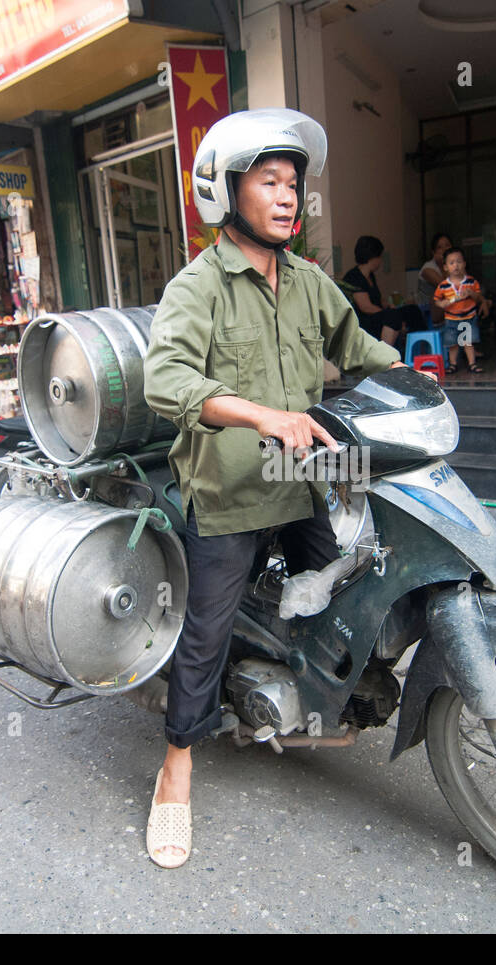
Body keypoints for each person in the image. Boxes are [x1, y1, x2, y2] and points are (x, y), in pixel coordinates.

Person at [143, 109, 410, 870]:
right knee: (206, 633)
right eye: (270, 181)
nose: (289, 197)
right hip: (227, 493)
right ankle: (175, 772)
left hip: (300, 484)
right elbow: (166, 379)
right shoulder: (199, 287)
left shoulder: (308, 283)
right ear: (228, 193)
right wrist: (262, 413)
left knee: (340, 589)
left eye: (294, 183)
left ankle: (312, 700)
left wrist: (410, 372)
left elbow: (354, 346)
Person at [341, 235, 425, 351]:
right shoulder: (354, 277)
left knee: (412, 310)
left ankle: (420, 351)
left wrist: (390, 305)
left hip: (378, 315)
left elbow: (378, 300)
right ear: (373, 257)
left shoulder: (370, 276)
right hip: (365, 321)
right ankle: (385, 358)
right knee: (392, 316)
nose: (380, 261)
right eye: (380, 256)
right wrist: (388, 312)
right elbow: (366, 307)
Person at [433, 247, 489, 373]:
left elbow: (478, 297)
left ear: (464, 264)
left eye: (459, 262)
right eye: (452, 263)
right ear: (446, 267)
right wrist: (443, 303)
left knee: (468, 342)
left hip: (468, 317)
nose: (456, 265)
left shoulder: (471, 282)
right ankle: (453, 364)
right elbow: (437, 301)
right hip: (451, 318)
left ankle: (472, 364)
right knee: (453, 344)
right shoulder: (443, 285)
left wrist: (470, 293)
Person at [414, 232, 451, 324]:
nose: (444, 250)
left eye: (447, 245)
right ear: (433, 252)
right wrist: (444, 265)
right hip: (428, 312)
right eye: (439, 247)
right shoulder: (427, 268)